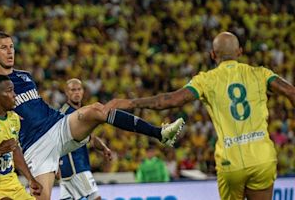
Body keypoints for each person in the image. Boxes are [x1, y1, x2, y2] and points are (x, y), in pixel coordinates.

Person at [0, 32, 184, 199]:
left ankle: (160, 133)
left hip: (57, 127)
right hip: (34, 148)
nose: (10, 51)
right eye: (3, 48)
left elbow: (37, 107)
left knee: (97, 110)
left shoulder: (25, 76)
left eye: (12, 47)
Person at [106, 31, 295, 200]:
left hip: (231, 161)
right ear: (240, 52)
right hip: (262, 157)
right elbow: (291, 92)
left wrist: (131, 103)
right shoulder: (261, 74)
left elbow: (169, 100)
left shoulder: (206, 80)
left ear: (213, 55)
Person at [58, 78, 112, 200]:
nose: (76, 92)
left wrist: (103, 148)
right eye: (73, 90)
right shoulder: (64, 114)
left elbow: (91, 137)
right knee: (95, 198)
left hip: (72, 169)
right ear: (66, 92)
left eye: (79, 89)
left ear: (83, 92)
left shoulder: (81, 112)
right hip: (75, 166)